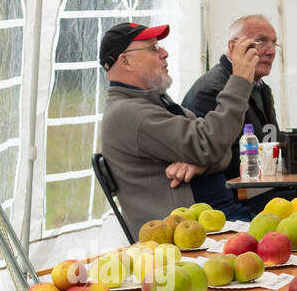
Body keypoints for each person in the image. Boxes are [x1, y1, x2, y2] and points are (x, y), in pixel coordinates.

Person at [98, 22, 259, 231]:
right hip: (194, 237)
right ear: (126, 61)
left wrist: (200, 163)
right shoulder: (128, 114)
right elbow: (210, 144)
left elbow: (221, 150)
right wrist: (240, 80)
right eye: (153, 48)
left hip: (217, 222)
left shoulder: (156, 103)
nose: (164, 53)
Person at [180, 15, 297, 219]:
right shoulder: (210, 89)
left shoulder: (259, 86)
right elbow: (222, 158)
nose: (271, 51)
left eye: (274, 43)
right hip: (231, 200)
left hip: (261, 188)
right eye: (261, 41)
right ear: (233, 46)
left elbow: (269, 142)